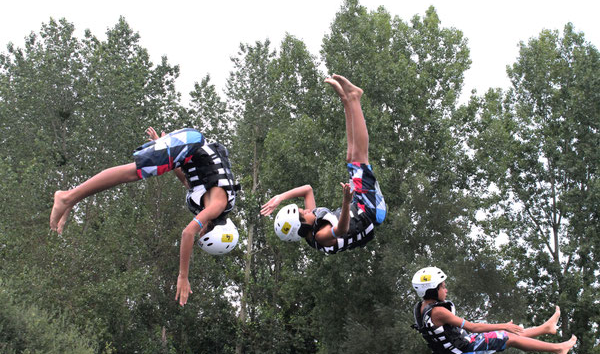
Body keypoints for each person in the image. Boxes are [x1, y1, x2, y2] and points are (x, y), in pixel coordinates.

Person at [50, 127, 240, 306]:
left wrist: (164, 148)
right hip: (191, 143)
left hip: (187, 147)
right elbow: (187, 233)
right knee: (132, 173)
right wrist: (183, 276)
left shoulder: (210, 198)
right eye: (203, 235)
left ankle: (72, 197)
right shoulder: (218, 205)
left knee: (137, 172)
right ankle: (67, 197)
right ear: (212, 231)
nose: (199, 233)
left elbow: (186, 178)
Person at [260, 74, 386, 254]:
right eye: (303, 214)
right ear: (302, 229)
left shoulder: (311, 220)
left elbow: (307, 189)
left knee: (351, 158)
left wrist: (280, 197)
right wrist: (345, 201)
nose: (306, 210)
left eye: (302, 210)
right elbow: (341, 231)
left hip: (359, 205)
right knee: (359, 157)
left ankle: (346, 100)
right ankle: (354, 98)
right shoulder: (320, 236)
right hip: (370, 211)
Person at [411, 267, 578, 354]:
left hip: (462, 349)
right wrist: (503, 325)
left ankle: (546, 328)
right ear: (432, 289)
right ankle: (559, 348)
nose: (446, 290)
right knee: (509, 337)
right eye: (443, 287)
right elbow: (472, 327)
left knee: (507, 336)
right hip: (465, 352)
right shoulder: (438, 312)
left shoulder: (423, 308)